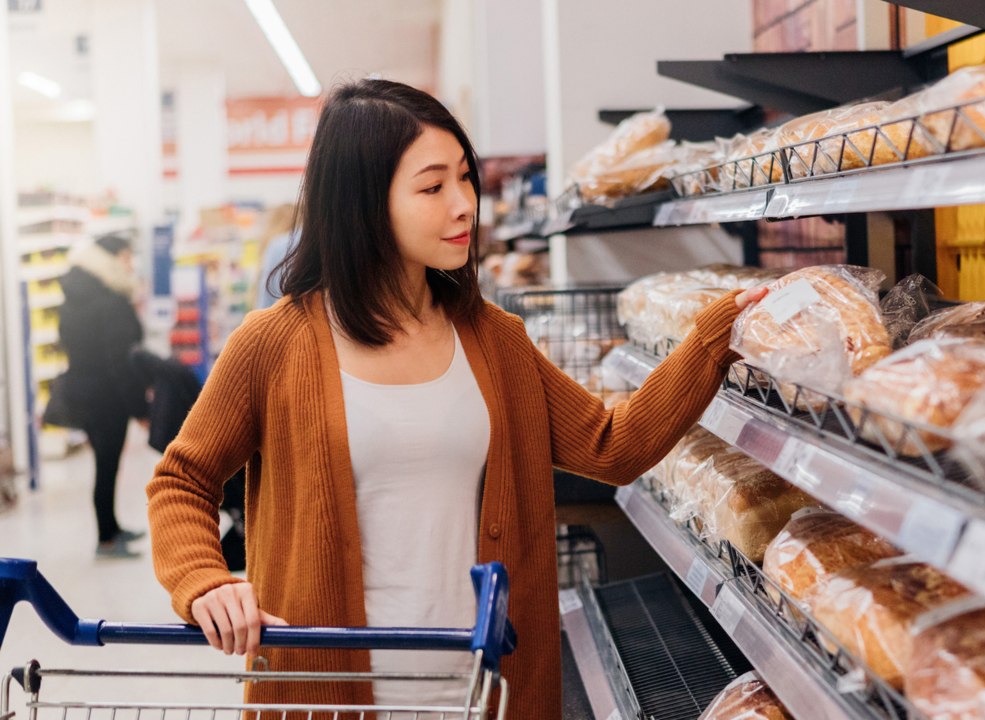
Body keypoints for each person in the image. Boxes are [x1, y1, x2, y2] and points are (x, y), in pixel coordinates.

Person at [146, 79, 766, 718]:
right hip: (330, 694)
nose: (464, 204)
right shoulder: (274, 344)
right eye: (432, 186)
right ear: (363, 203)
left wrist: (716, 335)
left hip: (483, 693)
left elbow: (613, 445)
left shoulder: (494, 340)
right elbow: (181, 480)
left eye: (465, 179)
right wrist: (204, 580)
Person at [59, 233, 149, 558]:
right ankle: (107, 540)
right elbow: (121, 362)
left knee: (105, 464)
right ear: (111, 259)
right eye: (126, 257)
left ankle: (111, 528)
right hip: (107, 398)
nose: (130, 264)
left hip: (83, 391)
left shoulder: (77, 295)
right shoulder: (110, 300)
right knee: (108, 466)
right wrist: (140, 407)